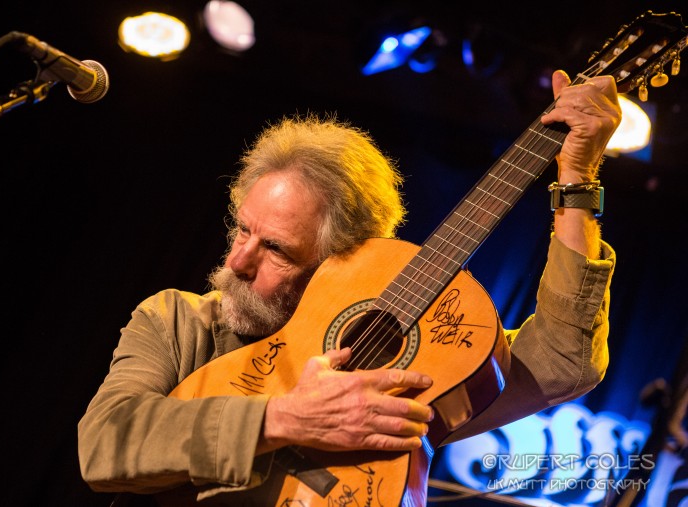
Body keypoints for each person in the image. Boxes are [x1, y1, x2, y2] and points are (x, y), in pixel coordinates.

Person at [78, 69, 621, 504]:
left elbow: (562, 359)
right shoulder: (178, 322)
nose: (238, 260)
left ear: (341, 261)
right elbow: (104, 444)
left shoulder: (393, 375)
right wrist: (288, 418)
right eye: (244, 228)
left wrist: (577, 181)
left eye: (276, 249)